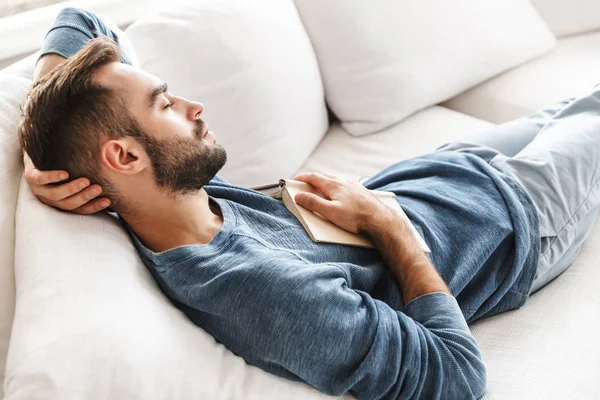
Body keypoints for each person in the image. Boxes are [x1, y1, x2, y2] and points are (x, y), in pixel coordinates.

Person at [19, 8, 600, 400]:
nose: (193, 105)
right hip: (518, 219)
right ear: (123, 157)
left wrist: (38, 140)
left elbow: (81, 16)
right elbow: (455, 379)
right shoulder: (256, 290)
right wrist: (391, 227)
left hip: (448, 170)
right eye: (165, 103)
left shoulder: (177, 198)